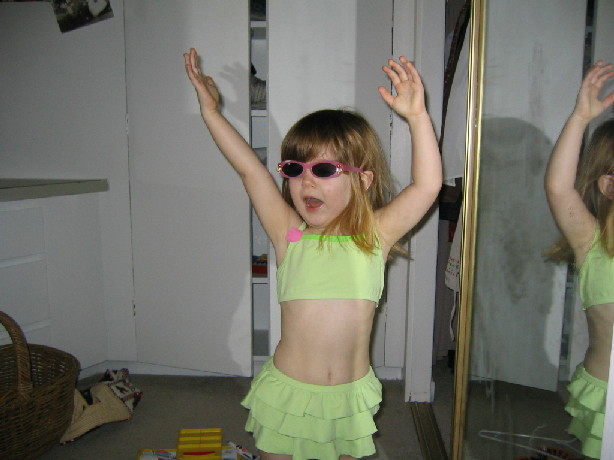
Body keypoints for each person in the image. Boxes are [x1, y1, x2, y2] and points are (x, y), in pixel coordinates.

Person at [183, 47, 442, 460]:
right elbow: (251, 170)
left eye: (323, 170)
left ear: (363, 181)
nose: (306, 182)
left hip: (348, 397)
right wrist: (212, 112)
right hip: (288, 394)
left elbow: (427, 186)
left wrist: (417, 117)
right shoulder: (289, 235)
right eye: (294, 170)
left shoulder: (374, 236)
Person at [545, 60, 614, 459]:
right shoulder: (593, 243)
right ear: (608, 185)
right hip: (607, 393)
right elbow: (558, 187)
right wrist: (580, 118)